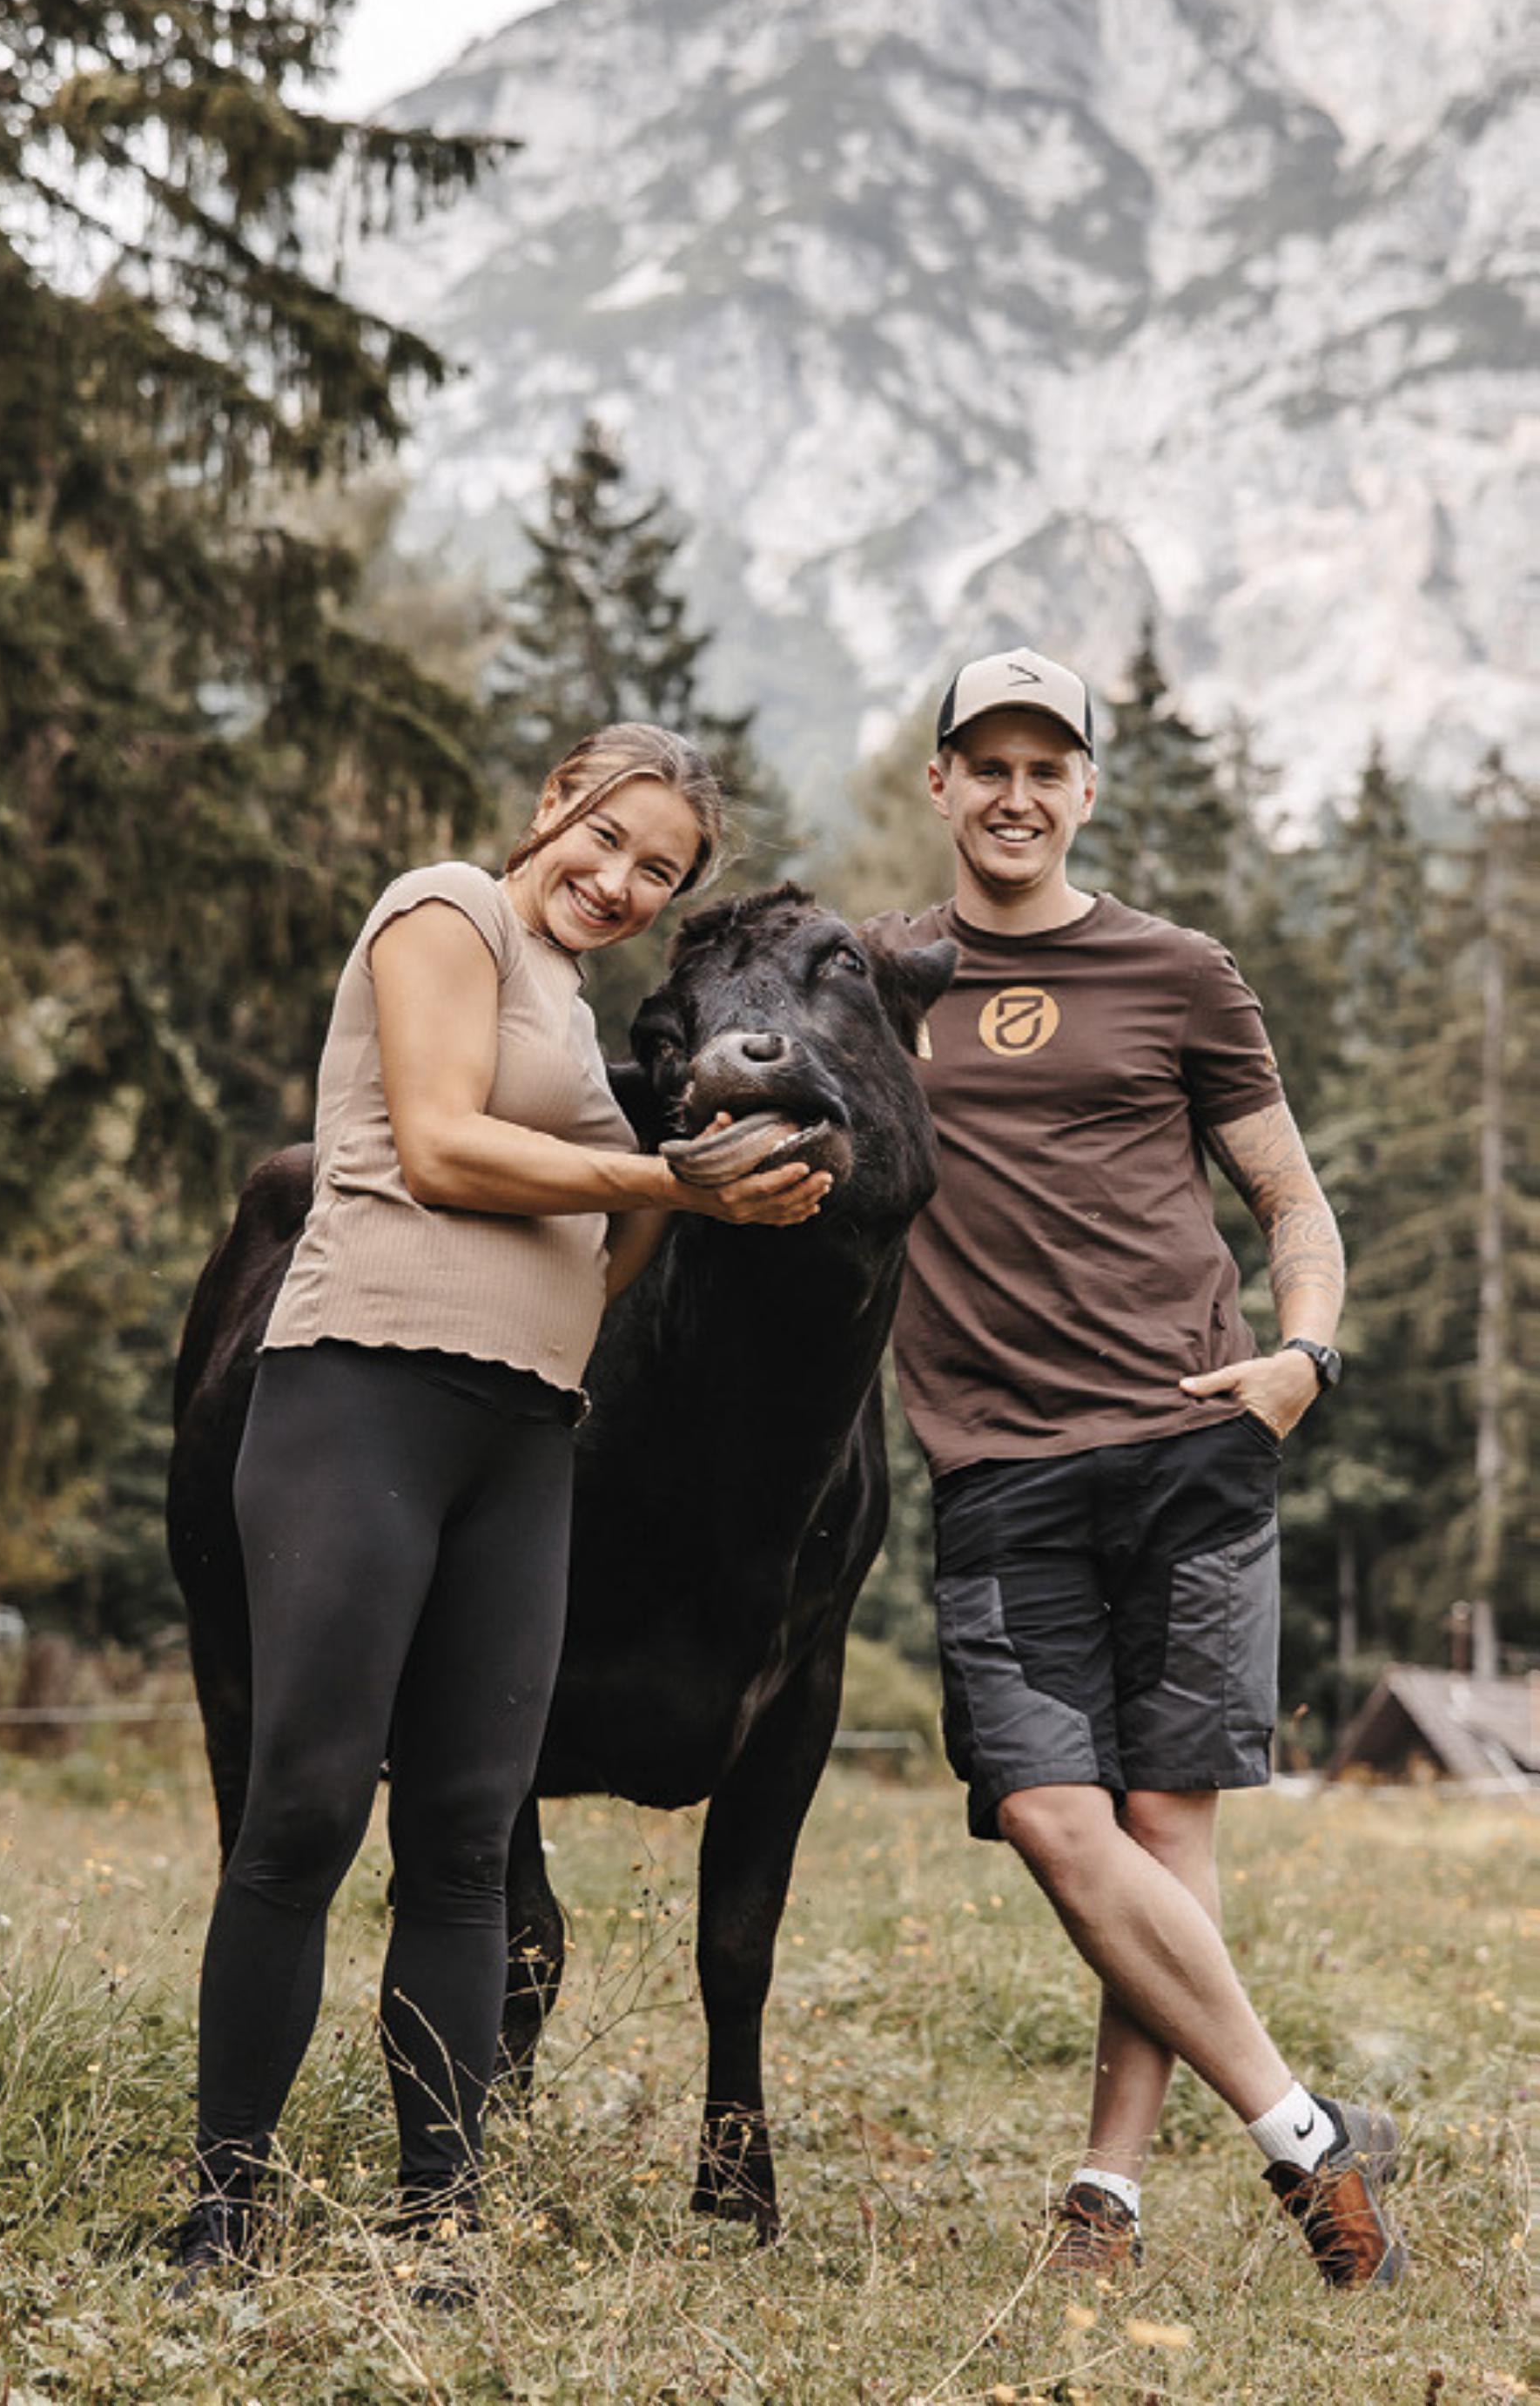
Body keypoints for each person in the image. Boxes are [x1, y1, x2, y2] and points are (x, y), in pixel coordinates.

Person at [172, 723, 831, 2294]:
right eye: (608, 838)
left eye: (659, 871)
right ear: (556, 805)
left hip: (525, 1433)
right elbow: (442, 1142)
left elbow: (609, 1245)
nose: (620, 880)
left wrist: (690, 1188)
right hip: (358, 1394)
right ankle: (224, 2203)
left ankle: (442, 2216)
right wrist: (668, 1181)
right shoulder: (445, 907)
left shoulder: (574, 1011)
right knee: (305, 1814)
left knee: (467, 1840)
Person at [862, 648, 1405, 2290]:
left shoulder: (1178, 971)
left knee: (1165, 1825)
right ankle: (1310, 2133)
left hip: (1191, 1446)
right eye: (988, 764)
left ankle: (1105, 2195)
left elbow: (1291, 1201)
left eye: (1050, 767)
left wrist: (1304, 1356)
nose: (1017, 795)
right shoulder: (879, 980)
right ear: (940, 783)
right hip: (997, 1464)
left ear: (1088, 788)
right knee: (1051, 1814)